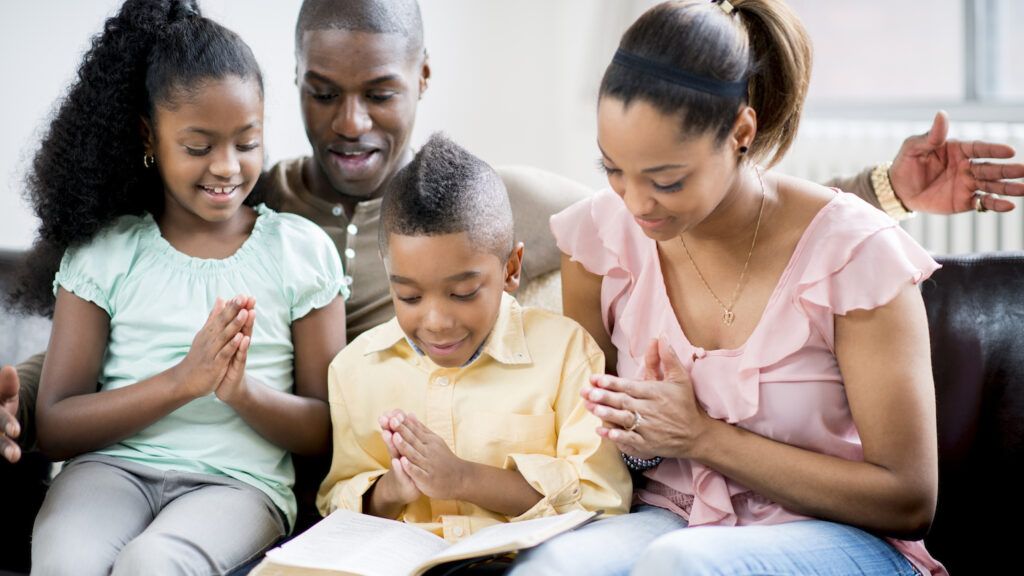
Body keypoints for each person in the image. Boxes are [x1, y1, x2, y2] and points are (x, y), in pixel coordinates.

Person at [4, 0, 1023, 465]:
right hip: (298, 463)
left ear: (423, 84)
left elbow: (685, 211)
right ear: (295, 91)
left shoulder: (491, 203)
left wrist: (883, 191)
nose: (352, 122)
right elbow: (136, 317)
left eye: (379, 92)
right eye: (323, 94)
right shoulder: (241, 205)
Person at [510, 0, 948, 574]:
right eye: (613, 169)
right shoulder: (598, 239)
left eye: (666, 180)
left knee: (681, 564)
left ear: (741, 131)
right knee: (556, 567)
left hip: (838, 537)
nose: (636, 203)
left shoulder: (855, 254)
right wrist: (638, 439)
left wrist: (701, 437)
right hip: (671, 516)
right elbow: (593, 444)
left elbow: (909, 499)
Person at [19, 1, 347, 574]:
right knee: (66, 558)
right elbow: (57, 425)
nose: (226, 167)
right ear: (150, 136)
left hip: (238, 487)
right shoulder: (105, 252)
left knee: (154, 563)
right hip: (110, 471)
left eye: (247, 143)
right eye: (199, 147)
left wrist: (239, 391)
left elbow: (326, 426)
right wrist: (183, 381)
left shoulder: (301, 253)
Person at [317, 133, 631, 540]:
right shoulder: (355, 368)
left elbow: (601, 501)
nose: (437, 322)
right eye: (408, 296)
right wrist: (393, 490)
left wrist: (464, 479)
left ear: (511, 269)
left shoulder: (566, 353)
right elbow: (336, 503)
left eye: (463, 293)